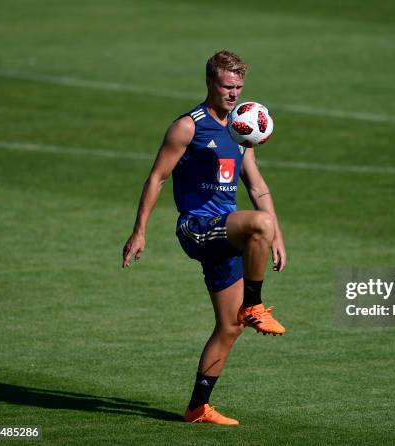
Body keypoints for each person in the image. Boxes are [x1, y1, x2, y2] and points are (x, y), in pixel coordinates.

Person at [121, 50, 286, 426]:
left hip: (225, 231)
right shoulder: (187, 127)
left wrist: (276, 233)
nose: (233, 94)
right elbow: (157, 177)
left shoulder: (241, 130)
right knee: (258, 225)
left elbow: (257, 187)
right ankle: (254, 305)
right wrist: (139, 230)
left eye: (239, 87)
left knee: (230, 326)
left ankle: (198, 407)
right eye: (227, 87)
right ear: (210, 83)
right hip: (195, 228)